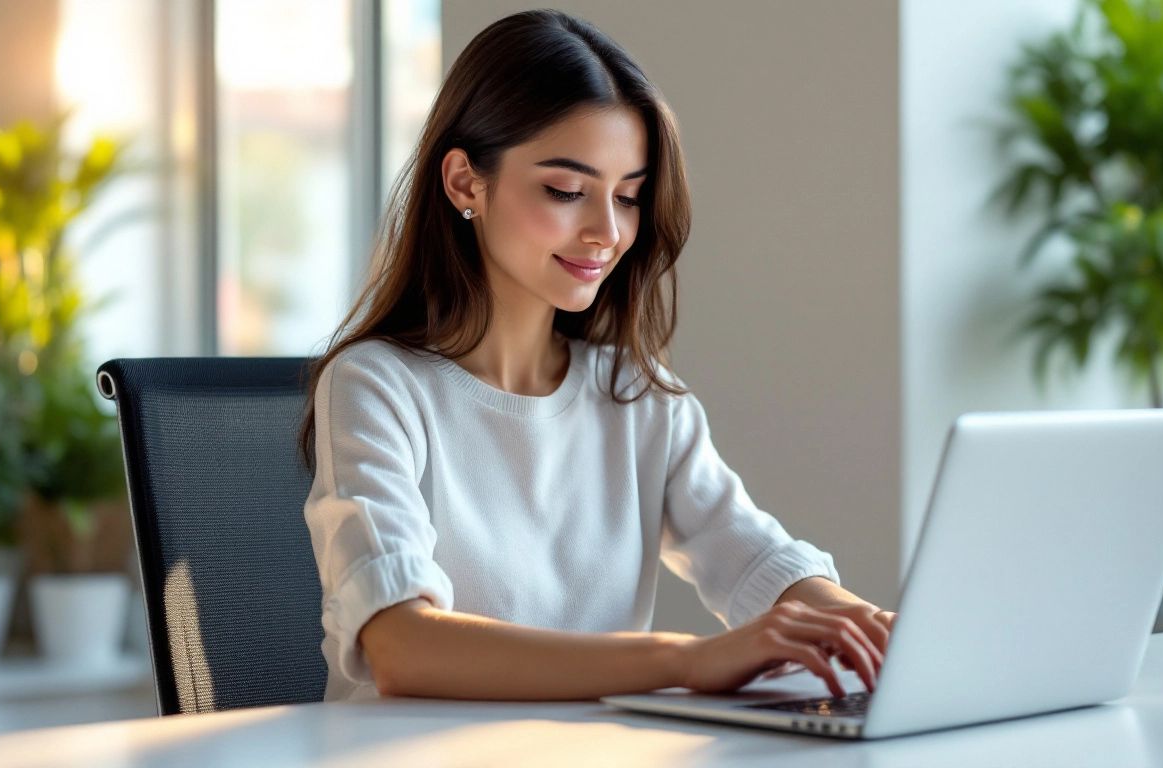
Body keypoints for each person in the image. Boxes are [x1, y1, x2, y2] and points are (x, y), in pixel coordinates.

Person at [299, 8, 895, 704]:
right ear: (465, 183)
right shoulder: (376, 385)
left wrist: (875, 628)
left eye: (629, 197)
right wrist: (686, 660)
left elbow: (756, 560)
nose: (607, 233)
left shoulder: (637, 397)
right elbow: (402, 644)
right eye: (566, 191)